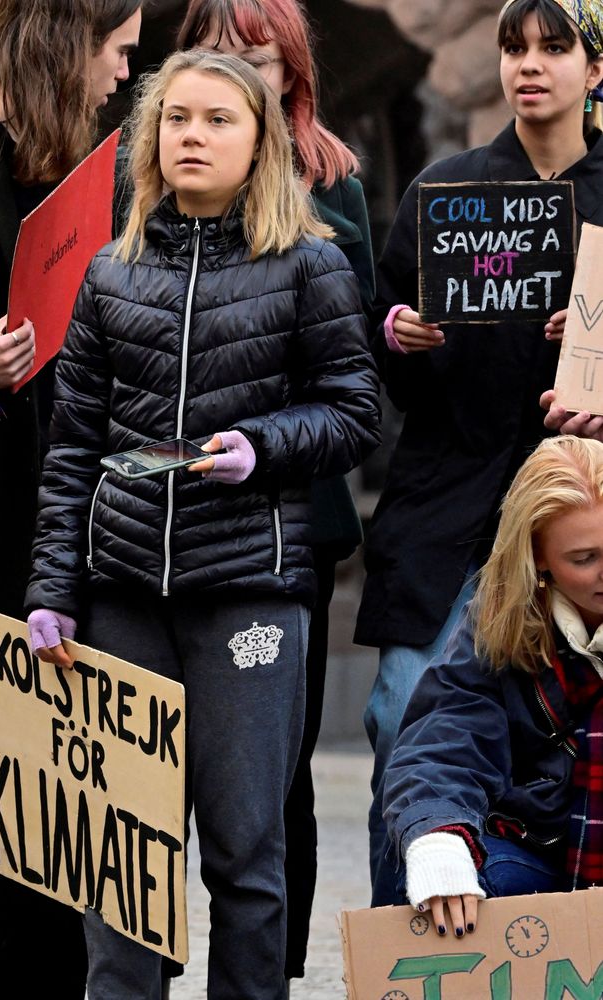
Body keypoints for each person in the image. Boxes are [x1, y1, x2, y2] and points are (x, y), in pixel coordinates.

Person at [25, 48, 380, 1000]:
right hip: (124, 596)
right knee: (122, 867)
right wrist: (53, 591)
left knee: (245, 853)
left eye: (218, 119)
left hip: (249, 596)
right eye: (176, 117)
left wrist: (261, 446)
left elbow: (355, 413)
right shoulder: (111, 271)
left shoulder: (312, 263)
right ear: (151, 135)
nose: (193, 134)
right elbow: (72, 452)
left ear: (261, 139)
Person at [354, 0, 603, 907]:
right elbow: (371, 358)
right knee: (402, 722)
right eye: (511, 47)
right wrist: (399, 334)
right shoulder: (445, 192)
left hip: (584, 509)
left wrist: (589, 353)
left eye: (553, 47)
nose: (528, 65)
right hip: (450, 510)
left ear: (597, 70)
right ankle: (399, 944)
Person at [0, 2, 142, 997]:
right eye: (118, 52)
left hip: (55, 568)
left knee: (57, 845)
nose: (122, 77)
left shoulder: (86, 179)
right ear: (71, 48)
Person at [175, 0, 375, 982]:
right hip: (169, 517)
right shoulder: (158, 182)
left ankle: (268, 967)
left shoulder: (332, 189)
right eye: (219, 56)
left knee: (272, 770)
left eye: (257, 56)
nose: (239, 74)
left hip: (289, 515)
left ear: (289, 67)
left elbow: (358, 374)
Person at [383, 434, 603, 934]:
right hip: (546, 847)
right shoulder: (500, 619)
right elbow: (447, 738)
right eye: (584, 558)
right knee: (443, 884)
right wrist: (439, 838)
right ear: (539, 558)